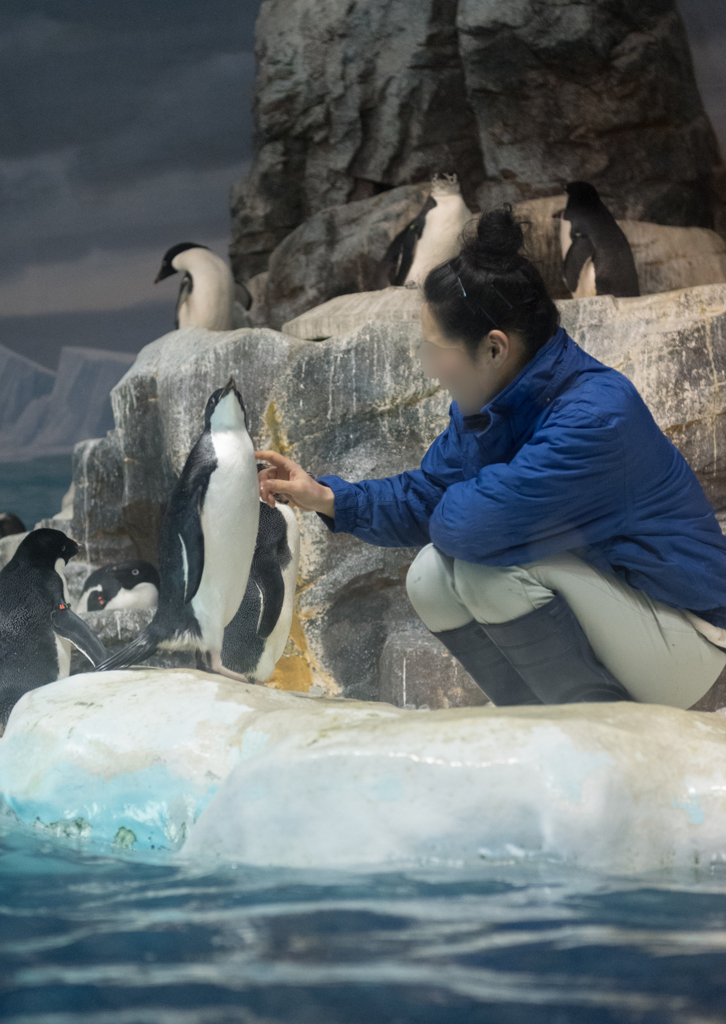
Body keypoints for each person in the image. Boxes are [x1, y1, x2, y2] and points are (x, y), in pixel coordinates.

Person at [255, 205, 726, 710]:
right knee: (430, 575)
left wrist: (470, 498)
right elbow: (431, 496)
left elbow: (469, 526)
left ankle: (598, 730)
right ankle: (537, 719)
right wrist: (326, 497)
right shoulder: (493, 408)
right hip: (633, 627)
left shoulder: (596, 417)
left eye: (434, 350)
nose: (431, 368)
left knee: (484, 568)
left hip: (696, 648)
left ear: (495, 349)